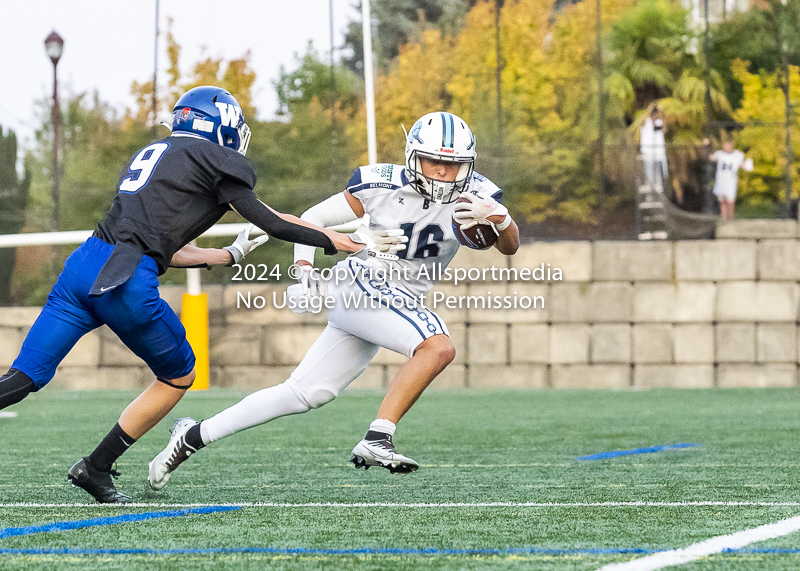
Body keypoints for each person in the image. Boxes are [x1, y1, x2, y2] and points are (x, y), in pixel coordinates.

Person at [0, 86, 405, 504]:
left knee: (25, 376)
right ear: (222, 126)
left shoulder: (158, 153)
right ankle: (96, 467)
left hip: (83, 266)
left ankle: (95, 468)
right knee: (179, 375)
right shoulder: (218, 159)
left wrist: (228, 253)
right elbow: (273, 222)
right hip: (125, 282)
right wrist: (353, 244)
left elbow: (157, 241)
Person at [147, 111, 520, 491]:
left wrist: (503, 220)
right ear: (413, 156)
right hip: (362, 281)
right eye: (433, 161)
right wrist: (304, 268)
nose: (441, 173)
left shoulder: (480, 194)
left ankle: (192, 436)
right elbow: (315, 217)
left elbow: (509, 247)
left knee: (304, 393)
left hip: (395, 299)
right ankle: (378, 437)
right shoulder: (382, 183)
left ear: (468, 165)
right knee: (437, 346)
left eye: (451, 165)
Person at [710, 140, 752, 220]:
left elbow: (741, 165)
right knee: (722, 202)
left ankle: (730, 219)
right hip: (721, 182)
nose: (726, 147)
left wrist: (745, 165)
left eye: (728, 145)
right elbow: (712, 157)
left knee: (730, 202)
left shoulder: (737, 155)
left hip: (731, 182)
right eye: (725, 145)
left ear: (731, 145)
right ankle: (724, 219)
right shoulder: (720, 154)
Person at [640, 105, 668, 191]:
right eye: (653, 114)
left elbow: (665, 128)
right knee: (648, 168)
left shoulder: (660, 122)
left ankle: (658, 184)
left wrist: (661, 113)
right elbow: (642, 125)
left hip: (658, 151)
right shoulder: (646, 121)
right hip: (648, 150)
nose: (654, 116)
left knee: (658, 168)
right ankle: (649, 185)